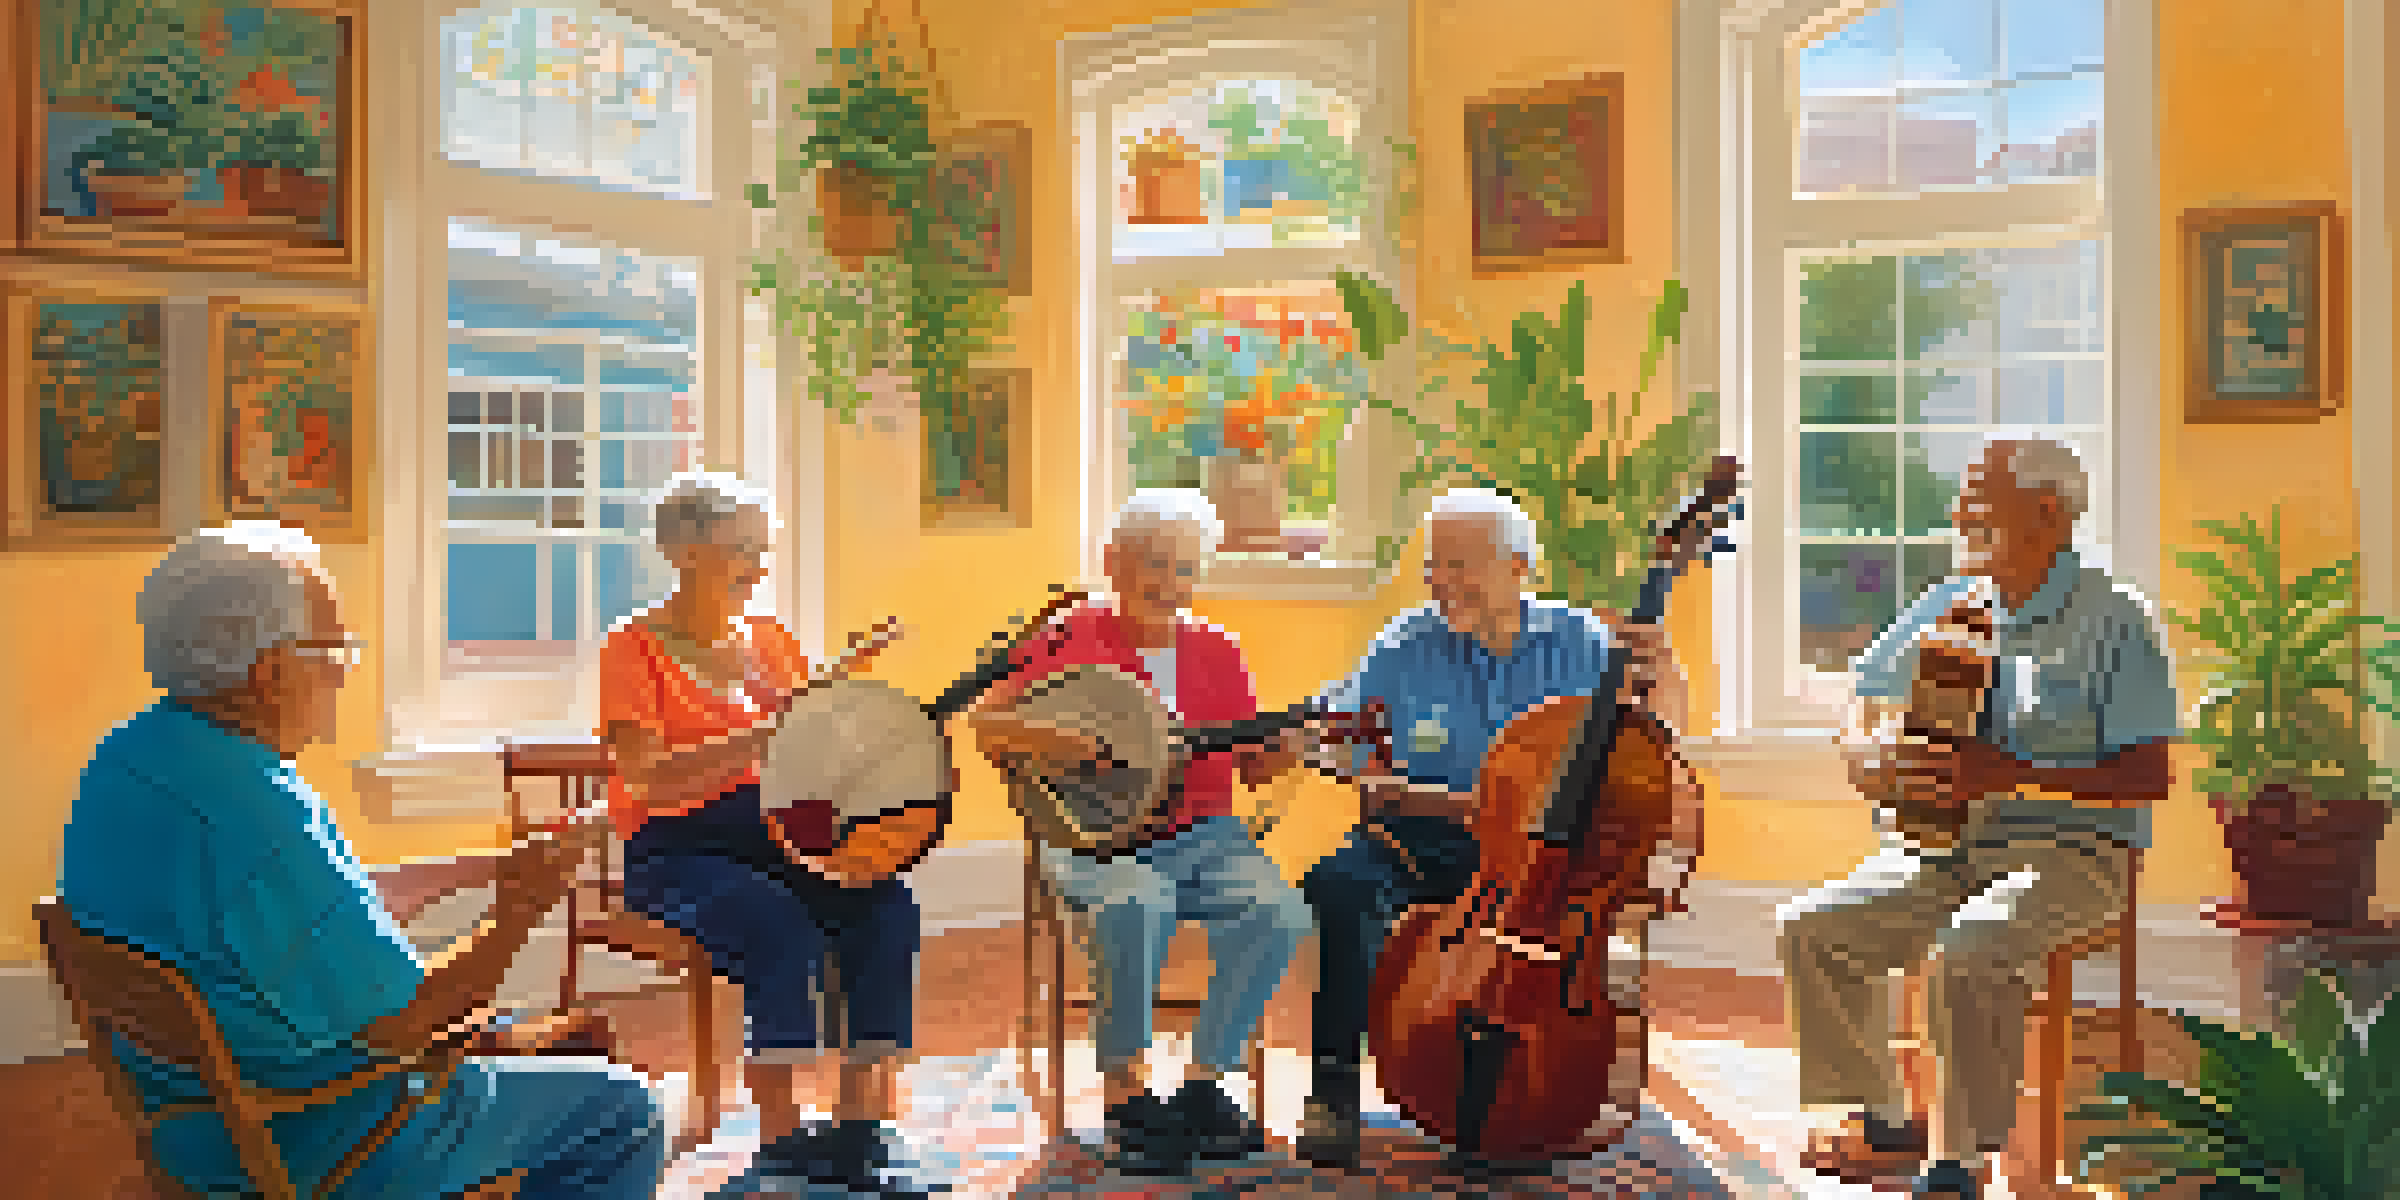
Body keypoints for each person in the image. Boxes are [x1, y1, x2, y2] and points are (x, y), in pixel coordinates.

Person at [60, 521, 665, 1199]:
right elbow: (411, 1020)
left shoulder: (128, 761)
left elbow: (292, 906)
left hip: (189, 1117)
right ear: (271, 672)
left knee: (543, 1045)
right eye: (335, 649)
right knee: (625, 1108)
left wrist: (484, 868)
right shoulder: (263, 814)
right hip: (323, 1134)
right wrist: (520, 910)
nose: (345, 672)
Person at [1779, 439, 2180, 1199]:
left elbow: (2149, 776)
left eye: (1981, 496)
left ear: (2048, 512)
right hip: (1948, 847)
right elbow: (1861, 696)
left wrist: (2013, 774)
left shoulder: (2119, 620)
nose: (1961, 513)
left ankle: (1961, 1159)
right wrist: (1867, 752)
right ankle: (1887, 1119)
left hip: (2077, 854)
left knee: (1972, 946)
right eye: (1963, 496)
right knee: (1814, 926)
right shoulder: (1953, 602)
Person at [1288, 487, 1695, 1168]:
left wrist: (1668, 673)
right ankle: (1332, 1096)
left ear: (1517, 567)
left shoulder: (1582, 643)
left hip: (1547, 858)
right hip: (1426, 836)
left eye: (1458, 565)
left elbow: (1657, 750)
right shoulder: (1403, 644)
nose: (1441, 582)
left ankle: (1539, 1083)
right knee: (1340, 887)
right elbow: (1345, 739)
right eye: (1432, 566)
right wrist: (1322, 748)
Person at [598, 472, 929, 1196]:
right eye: (741, 548)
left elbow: (809, 749)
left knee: (884, 904)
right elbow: (646, 777)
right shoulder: (633, 648)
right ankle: (781, 1137)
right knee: (775, 921)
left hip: (777, 837)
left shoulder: (772, 641)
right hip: (676, 849)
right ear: (683, 551)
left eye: (763, 548)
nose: (759, 564)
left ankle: (859, 1124)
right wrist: (761, 735)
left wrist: (843, 710)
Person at [967, 489, 1314, 1175]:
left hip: (1205, 837)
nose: (1169, 584)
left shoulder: (1218, 650)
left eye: (1185, 569)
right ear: (1113, 563)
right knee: (1137, 901)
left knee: (1280, 913)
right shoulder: (1070, 635)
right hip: (1092, 837)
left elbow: (1255, 771)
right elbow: (988, 724)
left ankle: (1202, 1086)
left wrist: (1290, 747)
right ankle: (1126, 1092)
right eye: (1153, 564)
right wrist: (1070, 743)